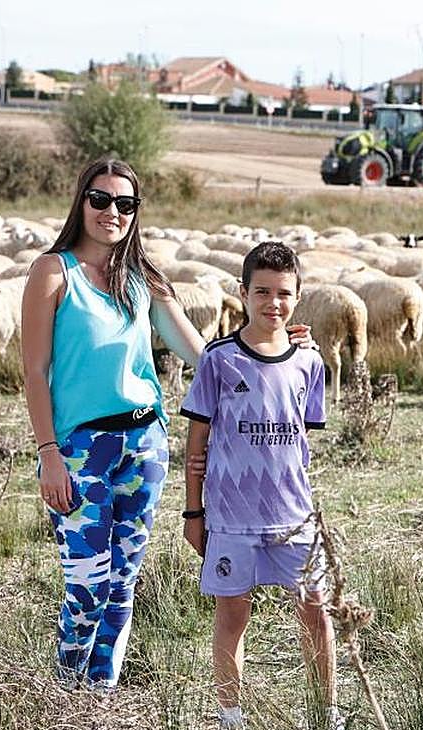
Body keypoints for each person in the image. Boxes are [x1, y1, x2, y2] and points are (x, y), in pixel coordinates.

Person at [21, 157, 311, 691]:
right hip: (80, 448)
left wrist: (274, 347)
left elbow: (205, 356)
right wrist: (47, 454)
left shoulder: (143, 279)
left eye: (125, 204)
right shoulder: (52, 272)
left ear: (137, 212)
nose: (112, 212)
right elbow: (34, 372)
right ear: (81, 201)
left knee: (123, 584)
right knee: (85, 586)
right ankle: (62, 704)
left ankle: (99, 700)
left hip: (144, 444)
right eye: (101, 199)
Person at [179, 241, 369, 730]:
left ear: (298, 296)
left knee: (316, 614)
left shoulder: (309, 361)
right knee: (232, 615)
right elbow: (196, 444)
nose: (273, 303)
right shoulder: (218, 360)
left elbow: (300, 435)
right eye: (262, 292)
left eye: (284, 293)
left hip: (294, 520)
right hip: (231, 519)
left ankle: (327, 725)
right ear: (242, 294)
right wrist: (193, 512)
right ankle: (231, 728)